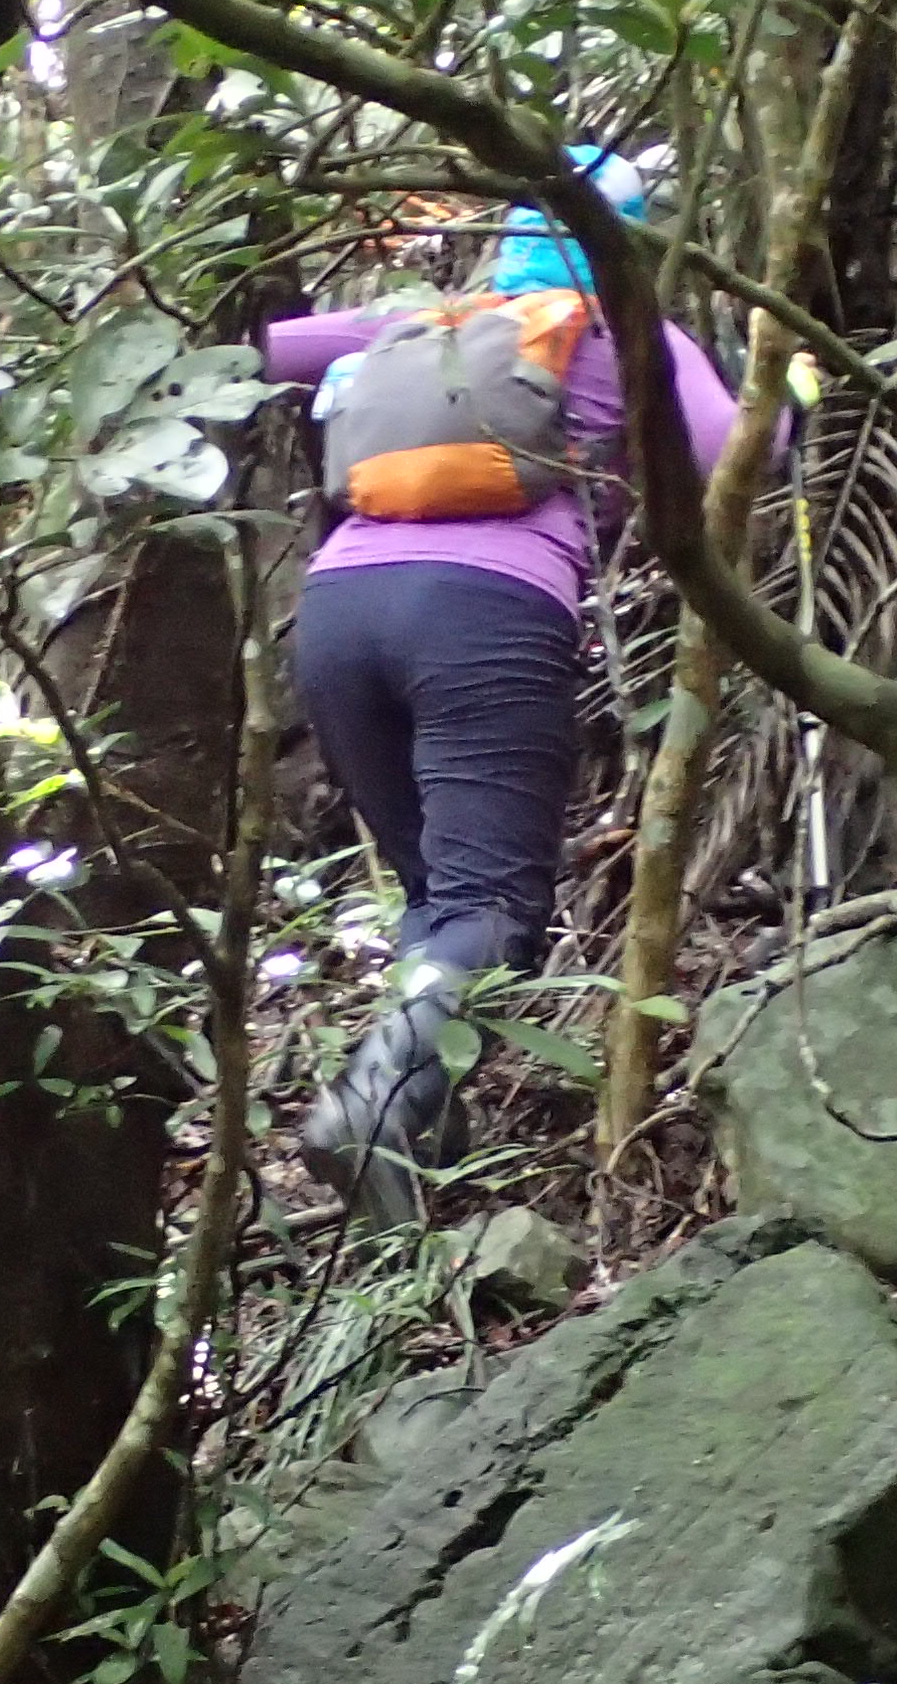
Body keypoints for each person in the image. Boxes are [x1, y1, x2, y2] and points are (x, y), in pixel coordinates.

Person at [264, 152, 763, 1218]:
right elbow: (734, 448)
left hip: (335, 613)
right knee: (495, 905)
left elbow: (258, 350)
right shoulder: (626, 330)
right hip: (487, 614)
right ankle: (375, 1102)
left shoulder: (424, 321)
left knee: (441, 897)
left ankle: (414, 1151)